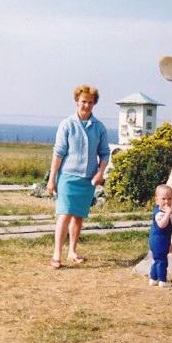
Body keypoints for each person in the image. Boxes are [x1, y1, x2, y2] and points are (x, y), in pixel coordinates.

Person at [47, 85, 110, 269]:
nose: (87, 105)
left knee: (78, 217)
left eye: (90, 102)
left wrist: (100, 172)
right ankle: (56, 254)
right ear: (77, 102)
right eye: (83, 102)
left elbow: (105, 153)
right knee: (64, 214)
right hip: (67, 177)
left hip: (88, 179)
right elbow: (58, 153)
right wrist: (52, 180)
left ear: (94, 104)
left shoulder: (99, 127)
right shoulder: (67, 124)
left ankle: (72, 251)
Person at [148, 184, 172, 287]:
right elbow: (162, 224)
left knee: (156, 260)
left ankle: (153, 278)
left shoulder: (164, 207)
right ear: (157, 200)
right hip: (159, 240)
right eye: (163, 199)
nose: (167, 201)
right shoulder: (160, 213)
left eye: (169, 198)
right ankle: (162, 280)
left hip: (160, 239)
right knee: (162, 261)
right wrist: (167, 214)